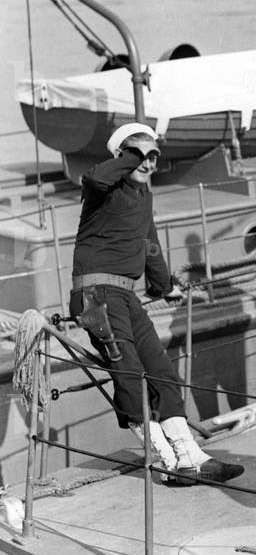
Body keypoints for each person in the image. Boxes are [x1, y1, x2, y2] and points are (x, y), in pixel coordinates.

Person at [69, 122, 244, 486]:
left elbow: (150, 245)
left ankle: (190, 457)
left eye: (154, 157)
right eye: (141, 157)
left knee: (162, 371)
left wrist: (165, 287)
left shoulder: (143, 197)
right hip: (96, 296)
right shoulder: (104, 189)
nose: (149, 165)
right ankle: (164, 461)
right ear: (123, 157)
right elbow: (95, 177)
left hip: (126, 296)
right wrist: (132, 155)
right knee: (130, 375)